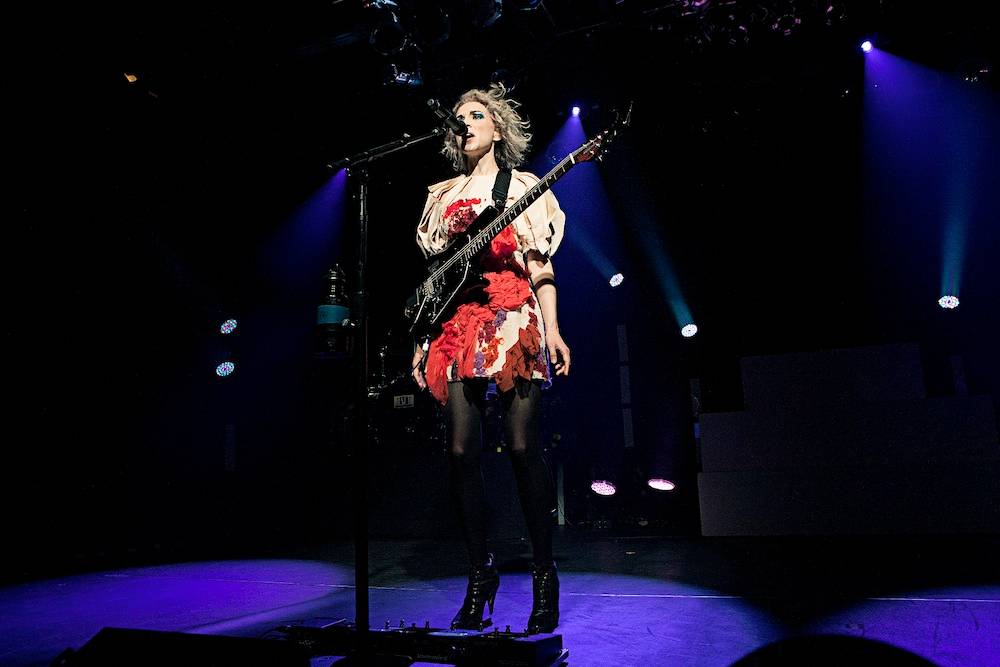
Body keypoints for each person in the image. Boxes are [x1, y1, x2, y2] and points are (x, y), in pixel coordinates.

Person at [411, 83, 570, 634]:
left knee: (524, 447)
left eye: (476, 115)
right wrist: (423, 332)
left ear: (497, 128)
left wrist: (553, 328)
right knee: (459, 452)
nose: (465, 122)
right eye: (458, 117)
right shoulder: (443, 195)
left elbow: (539, 263)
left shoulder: (520, 187)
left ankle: (544, 576)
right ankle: (481, 574)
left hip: (511, 312)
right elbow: (438, 275)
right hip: (457, 324)